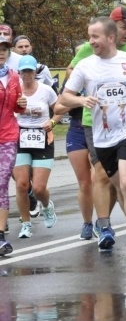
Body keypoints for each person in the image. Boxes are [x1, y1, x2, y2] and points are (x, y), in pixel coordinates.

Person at [58, 16, 126, 260]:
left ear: (110, 38)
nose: (91, 41)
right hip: (102, 137)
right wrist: (81, 100)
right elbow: (64, 98)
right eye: (90, 36)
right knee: (118, 187)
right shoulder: (85, 66)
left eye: (95, 36)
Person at [13, 55, 58, 239]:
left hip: (43, 139)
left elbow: (60, 109)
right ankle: (26, 224)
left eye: (30, 71)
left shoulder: (46, 91)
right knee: (22, 184)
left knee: (39, 188)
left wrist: (53, 122)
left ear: (35, 72)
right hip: (20, 139)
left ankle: (47, 207)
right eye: (24, 71)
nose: (27, 75)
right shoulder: (14, 91)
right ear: (19, 73)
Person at [62, 42, 96, 239]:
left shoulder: (100, 78)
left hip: (97, 130)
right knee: (84, 182)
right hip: (76, 131)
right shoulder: (73, 84)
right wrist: (79, 101)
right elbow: (58, 107)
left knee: (97, 179)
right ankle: (87, 223)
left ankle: (102, 220)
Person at [0, 35, 27, 256]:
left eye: (4, 49)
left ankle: (0, 237)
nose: (1, 52)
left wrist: (22, 104)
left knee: (1, 182)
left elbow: (18, 108)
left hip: (8, 135)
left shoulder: (14, 76)